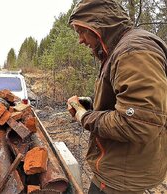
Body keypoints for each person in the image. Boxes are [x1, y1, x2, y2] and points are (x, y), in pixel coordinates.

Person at [66, 0, 167, 193]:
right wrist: (91, 104)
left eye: (81, 31)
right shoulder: (121, 48)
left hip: (121, 178)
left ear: (97, 26)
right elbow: (132, 105)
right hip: (120, 168)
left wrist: (84, 116)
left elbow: (138, 123)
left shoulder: (133, 52)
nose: (80, 40)